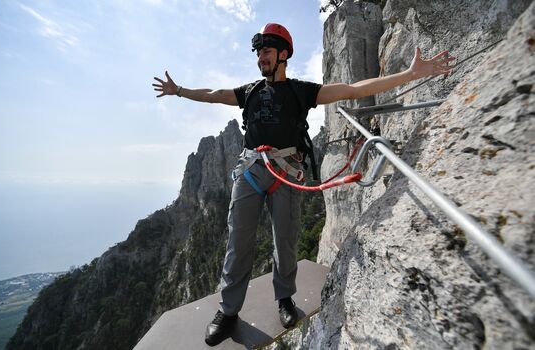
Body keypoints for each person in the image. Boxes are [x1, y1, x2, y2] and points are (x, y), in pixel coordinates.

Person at [153, 23, 455, 346]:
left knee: (286, 241)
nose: (260, 58)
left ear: (283, 54)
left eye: (266, 51)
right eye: (258, 53)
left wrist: (408, 75)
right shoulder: (251, 92)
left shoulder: (301, 91)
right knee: (238, 243)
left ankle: (284, 298)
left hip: (286, 173)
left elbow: (352, 89)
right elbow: (214, 96)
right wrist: (179, 90)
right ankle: (228, 312)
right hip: (252, 170)